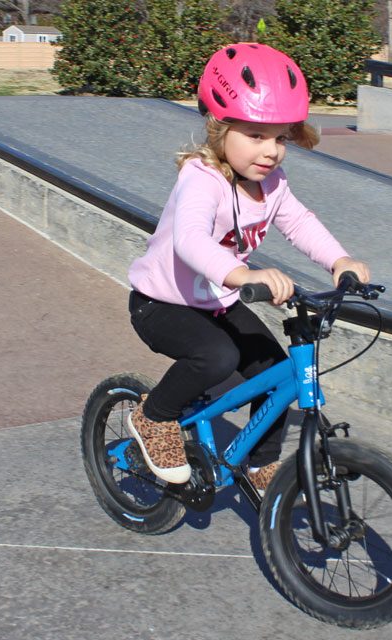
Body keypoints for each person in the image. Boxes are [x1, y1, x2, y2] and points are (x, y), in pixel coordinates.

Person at [126, 43, 370, 490]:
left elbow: (299, 222)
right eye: (256, 135)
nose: (272, 150)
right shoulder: (201, 179)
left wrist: (339, 259)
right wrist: (245, 274)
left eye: (280, 137)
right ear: (220, 129)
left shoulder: (271, 183)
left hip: (216, 300)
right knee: (218, 356)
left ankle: (260, 463)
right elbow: (191, 240)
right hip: (161, 302)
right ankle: (153, 417)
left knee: (275, 375)